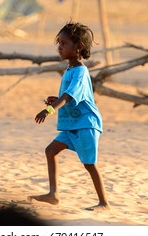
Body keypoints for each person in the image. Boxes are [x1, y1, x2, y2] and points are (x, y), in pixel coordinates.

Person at [28, 21, 110, 211]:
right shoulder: (70, 70)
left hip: (85, 124)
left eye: (64, 43)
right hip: (73, 124)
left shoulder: (81, 71)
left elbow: (68, 96)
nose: (60, 47)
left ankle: (104, 203)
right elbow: (70, 97)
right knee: (50, 151)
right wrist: (55, 100)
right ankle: (53, 194)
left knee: (89, 164)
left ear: (78, 46)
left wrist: (50, 110)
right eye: (59, 43)